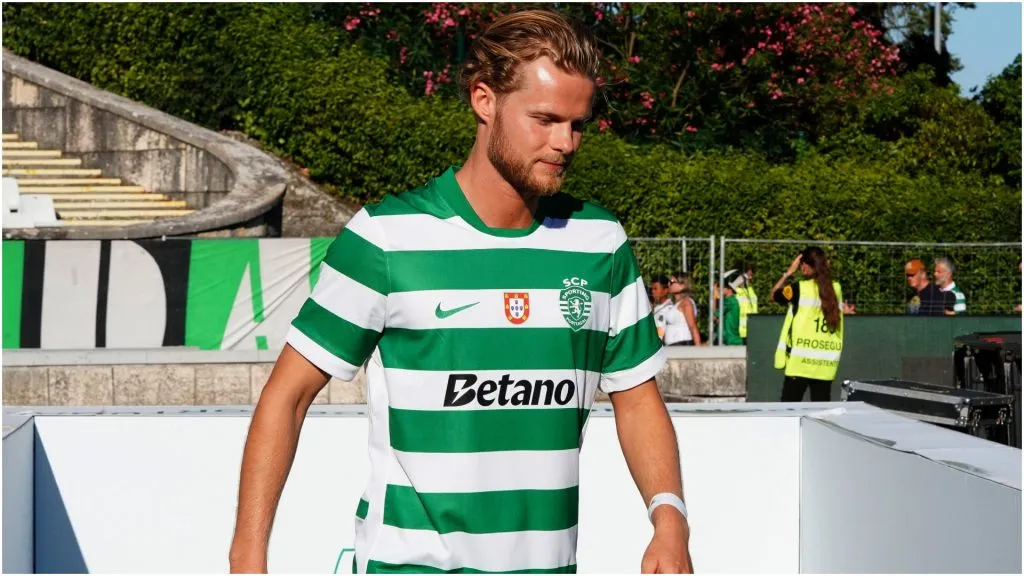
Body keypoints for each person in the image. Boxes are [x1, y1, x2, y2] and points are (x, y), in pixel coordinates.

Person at [229, 10, 692, 575]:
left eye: (577, 124)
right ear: (484, 100)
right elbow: (287, 396)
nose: (565, 143)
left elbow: (637, 397)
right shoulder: (385, 238)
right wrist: (247, 557)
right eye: (544, 119)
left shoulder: (600, 243)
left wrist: (669, 519)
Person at [771, 247, 844, 402]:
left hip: (800, 365)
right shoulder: (836, 289)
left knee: (788, 412)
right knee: (820, 416)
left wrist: (788, 273)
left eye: (802, 263)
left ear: (804, 264)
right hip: (825, 364)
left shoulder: (799, 288)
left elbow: (774, 295)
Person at [669, 272, 702, 346]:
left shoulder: (686, 302)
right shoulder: (675, 303)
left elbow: (693, 327)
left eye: (672, 282)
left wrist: (698, 347)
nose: (669, 285)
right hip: (673, 345)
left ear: (683, 284)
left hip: (682, 344)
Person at [712, 271, 743, 345]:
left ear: (730, 288)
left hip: (731, 341)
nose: (719, 288)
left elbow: (713, 317)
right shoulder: (729, 301)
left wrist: (714, 296)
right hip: (729, 340)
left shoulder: (729, 302)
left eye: (722, 286)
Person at [733, 263, 758, 343]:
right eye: (748, 276)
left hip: (751, 330)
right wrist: (741, 279)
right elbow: (733, 285)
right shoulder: (736, 291)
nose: (750, 278)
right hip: (739, 332)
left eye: (751, 275)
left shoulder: (750, 291)